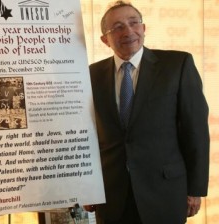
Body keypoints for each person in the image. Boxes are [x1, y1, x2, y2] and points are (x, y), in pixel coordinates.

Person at [85, 1, 210, 224]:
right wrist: (86, 187)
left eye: (134, 23)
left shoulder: (177, 65)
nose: (128, 31)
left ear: (144, 28)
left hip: (165, 192)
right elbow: (86, 135)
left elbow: (196, 131)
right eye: (118, 27)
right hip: (112, 196)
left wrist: (195, 189)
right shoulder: (90, 76)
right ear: (105, 39)